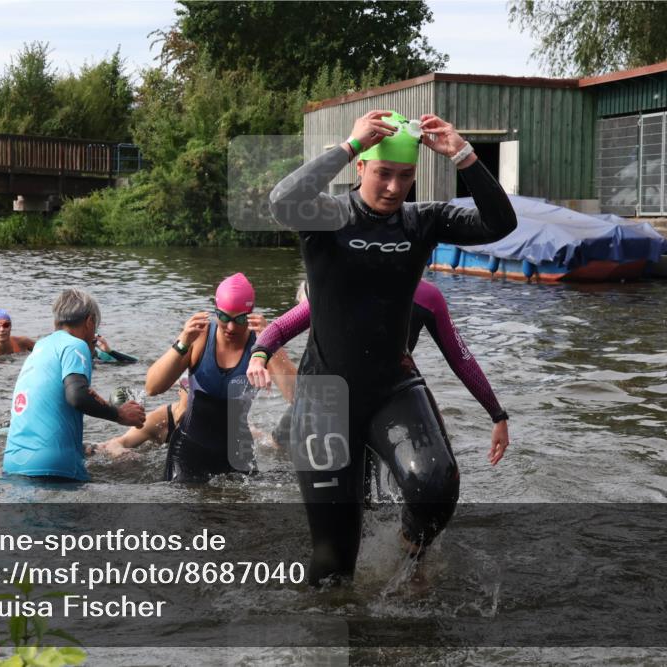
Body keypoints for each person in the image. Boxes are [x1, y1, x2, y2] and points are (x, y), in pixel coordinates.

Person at [267, 110, 517, 584]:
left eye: (405, 177)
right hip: (326, 397)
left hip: (392, 387)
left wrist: (463, 154)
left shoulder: (423, 222)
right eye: (383, 173)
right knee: (333, 561)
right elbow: (281, 200)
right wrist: (349, 145)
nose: (392, 187)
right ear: (361, 169)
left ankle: (406, 562)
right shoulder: (325, 216)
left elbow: (499, 223)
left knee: (435, 486)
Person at [248, 278, 510, 464]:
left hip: (384, 397)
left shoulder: (425, 297)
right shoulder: (334, 287)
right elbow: (282, 330)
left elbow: (461, 359)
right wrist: (262, 353)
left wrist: (497, 415)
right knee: (278, 443)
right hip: (338, 397)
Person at [143, 273, 276, 483]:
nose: (231, 327)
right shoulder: (200, 335)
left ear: (251, 314)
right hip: (190, 447)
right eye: (223, 318)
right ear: (215, 311)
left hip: (238, 453)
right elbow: (152, 387)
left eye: (240, 319)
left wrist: (271, 345)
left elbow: (298, 395)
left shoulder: (261, 342)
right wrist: (183, 341)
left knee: (245, 515)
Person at [3, 289, 145, 481]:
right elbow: (77, 395)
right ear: (89, 322)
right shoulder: (75, 345)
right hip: (53, 468)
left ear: (57, 322)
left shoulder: (40, 347)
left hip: (13, 465)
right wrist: (120, 414)